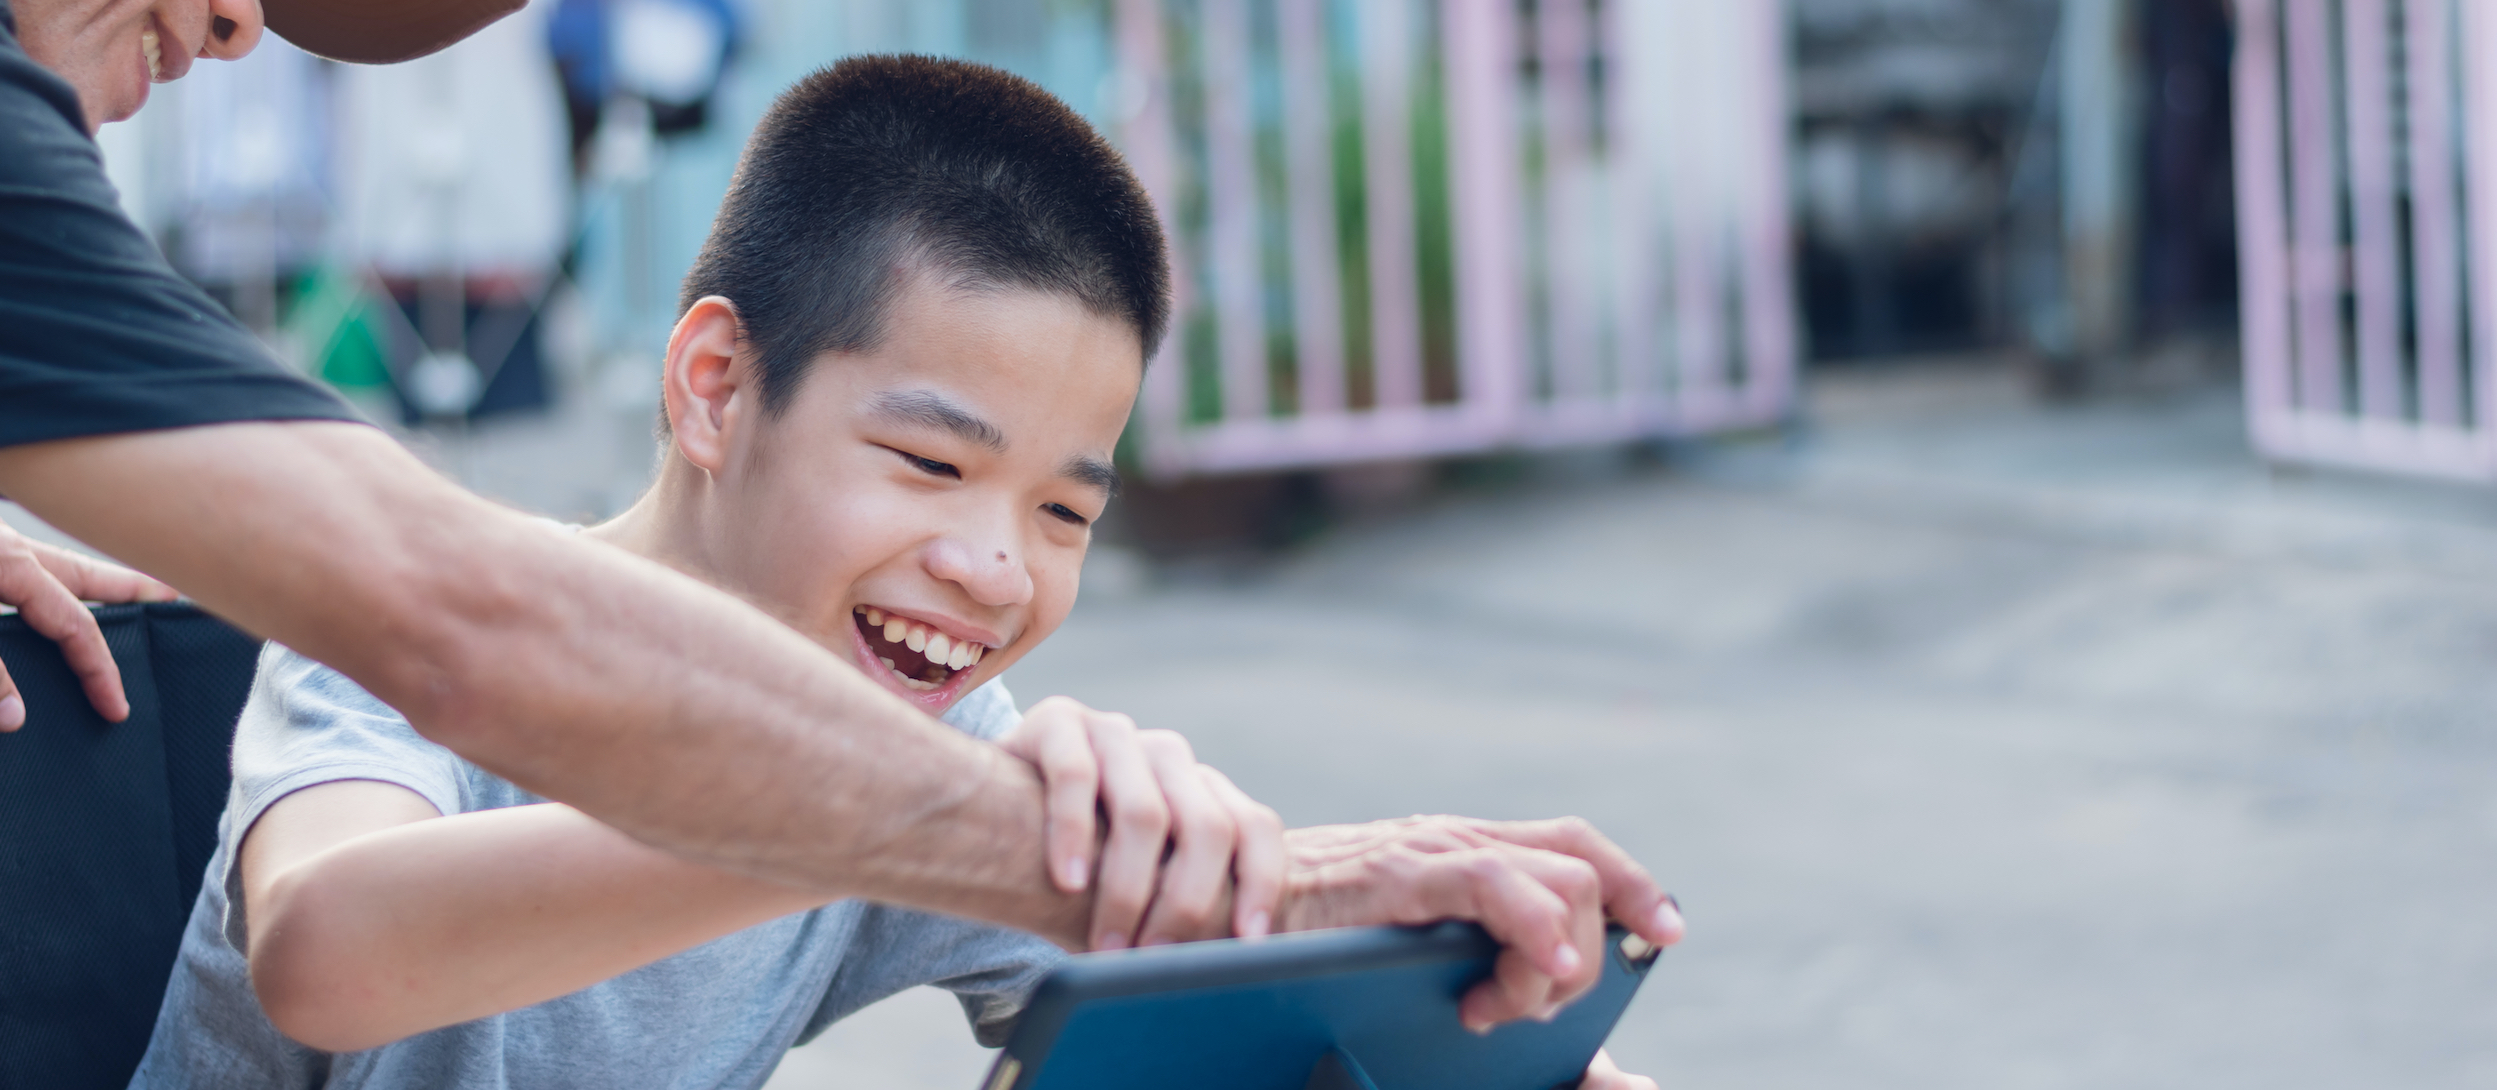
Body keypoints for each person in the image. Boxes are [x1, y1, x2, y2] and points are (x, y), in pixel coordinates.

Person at [0, 0, 1677, 1045]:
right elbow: (328, 951)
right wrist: (971, 832)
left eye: (1065, 509)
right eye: (933, 468)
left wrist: (1455, 998)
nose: (996, 564)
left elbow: (1219, 1025)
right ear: (716, 387)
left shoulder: (933, 737)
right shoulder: (360, 669)